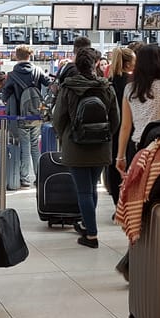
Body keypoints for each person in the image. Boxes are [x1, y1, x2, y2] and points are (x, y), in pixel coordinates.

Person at [53, 47, 120, 248]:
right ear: (95, 64)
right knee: (92, 187)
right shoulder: (106, 87)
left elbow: (58, 120)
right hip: (101, 145)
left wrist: (66, 136)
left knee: (83, 191)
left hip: (76, 145)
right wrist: (105, 135)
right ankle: (86, 224)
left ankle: (91, 234)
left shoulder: (68, 88)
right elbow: (115, 119)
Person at [115, 44, 160, 175]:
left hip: (137, 147)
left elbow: (126, 126)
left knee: (138, 189)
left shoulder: (130, 89)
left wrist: (120, 156)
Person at [0, 44, 51, 188]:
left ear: (17, 56)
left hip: (19, 116)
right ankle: (39, 176)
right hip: (36, 115)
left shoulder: (12, 74)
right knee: (35, 145)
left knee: (24, 145)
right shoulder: (37, 70)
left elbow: (5, 94)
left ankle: (25, 178)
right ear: (30, 56)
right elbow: (49, 84)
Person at [105, 47, 135, 206]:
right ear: (128, 64)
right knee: (129, 166)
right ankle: (128, 204)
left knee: (114, 167)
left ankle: (118, 204)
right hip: (129, 130)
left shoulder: (109, 82)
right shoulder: (132, 84)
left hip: (111, 130)